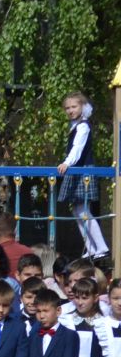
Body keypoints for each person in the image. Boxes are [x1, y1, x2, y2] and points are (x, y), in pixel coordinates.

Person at [55, 92, 108, 259]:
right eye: (67, 108)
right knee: (77, 209)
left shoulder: (83, 126)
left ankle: (100, 246)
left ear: (83, 107)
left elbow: (77, 147)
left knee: (83, 209)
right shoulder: (75, 125)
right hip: (78, 170)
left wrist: (67, 162)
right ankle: (92, 247)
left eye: (74, 106)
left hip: (82, 169)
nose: (70, 110)